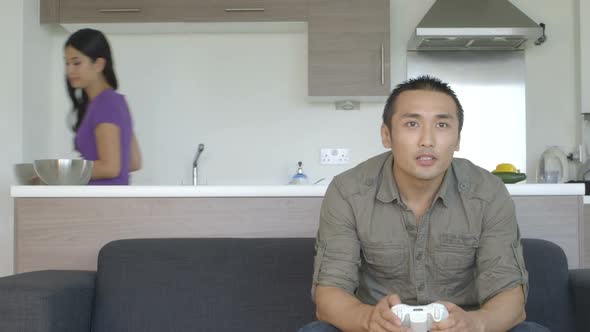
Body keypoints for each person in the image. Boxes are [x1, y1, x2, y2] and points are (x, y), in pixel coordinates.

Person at [299, 76, 549, 332]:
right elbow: (329, 292)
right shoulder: (348, 191)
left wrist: (476, 323)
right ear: (387, 135)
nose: (427, 140)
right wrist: (368, 319)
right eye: (412, 123)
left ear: (458, 138)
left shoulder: (488, 192)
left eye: (441, 124)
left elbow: (511, 298)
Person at [64, 28, 141, 185]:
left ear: (99, 64)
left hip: (101, 205)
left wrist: (60, 173)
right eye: (67, 63)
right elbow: (133, 162)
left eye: (76, 63)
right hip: (107, 203)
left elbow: (110, 168)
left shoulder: (105, 104)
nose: (69, 70)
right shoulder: (115, 101)